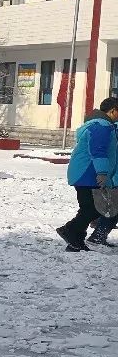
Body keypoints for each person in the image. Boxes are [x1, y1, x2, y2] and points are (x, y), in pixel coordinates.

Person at [57, 97, 118, 252]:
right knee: (92, 208)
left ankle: (75, 240)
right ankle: (70, 231)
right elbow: (98, 151)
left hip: (87, 171)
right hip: (87, 172)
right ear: (112, 111)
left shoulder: (103, 125)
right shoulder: (101, 127)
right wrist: (103, 173)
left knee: (89, 208)